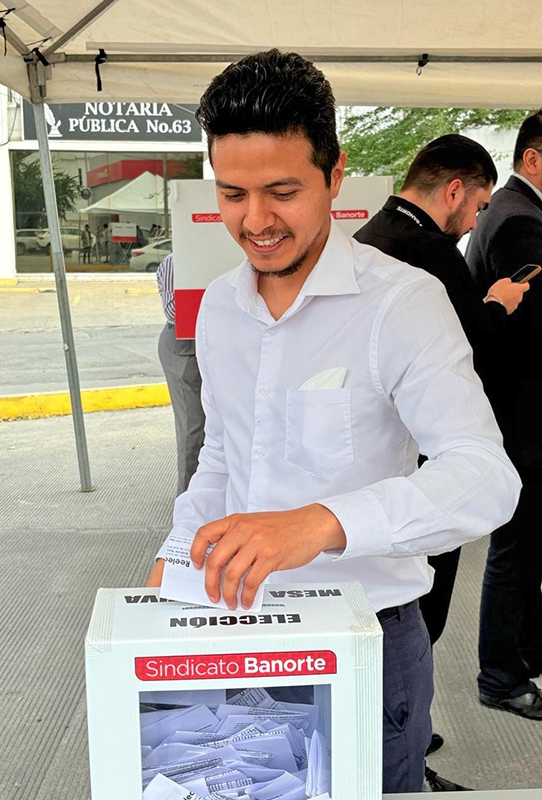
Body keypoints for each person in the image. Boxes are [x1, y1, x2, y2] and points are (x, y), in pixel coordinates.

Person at [147, 49, 521, 793]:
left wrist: (321, 523)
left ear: (336, 174)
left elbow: (485, 478)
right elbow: (223, 454)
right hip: (238, 627)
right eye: (232, 194)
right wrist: (177, 555)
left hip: (368, 639)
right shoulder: (219, 307)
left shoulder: (402, 304)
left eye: (282, 192)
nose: (256, 221)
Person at [354, 134, 529, 782]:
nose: (477, 221)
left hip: (379, 460)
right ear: (454, 190)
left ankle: (404, 735)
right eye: (478, 206)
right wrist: (498, 305)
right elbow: (466, 351)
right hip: (425, 462)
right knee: (415, 618)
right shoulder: (429, 253)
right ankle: (406, 750)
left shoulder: (369, 237)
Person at [466, 109, 542, 721]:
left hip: (520, 408)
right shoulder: (519, 220)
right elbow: (533, 324)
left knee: (527, 542)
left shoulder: (515, 211)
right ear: (533, 158)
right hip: (523, 412)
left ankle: (524, 653)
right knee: (516, 545)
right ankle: (501, 676)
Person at [156, 252, 205, 495]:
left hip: (217, 344)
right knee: (193, 426)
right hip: (184, 347)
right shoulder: (174, 262)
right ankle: (188, 500)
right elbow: (174, 311)